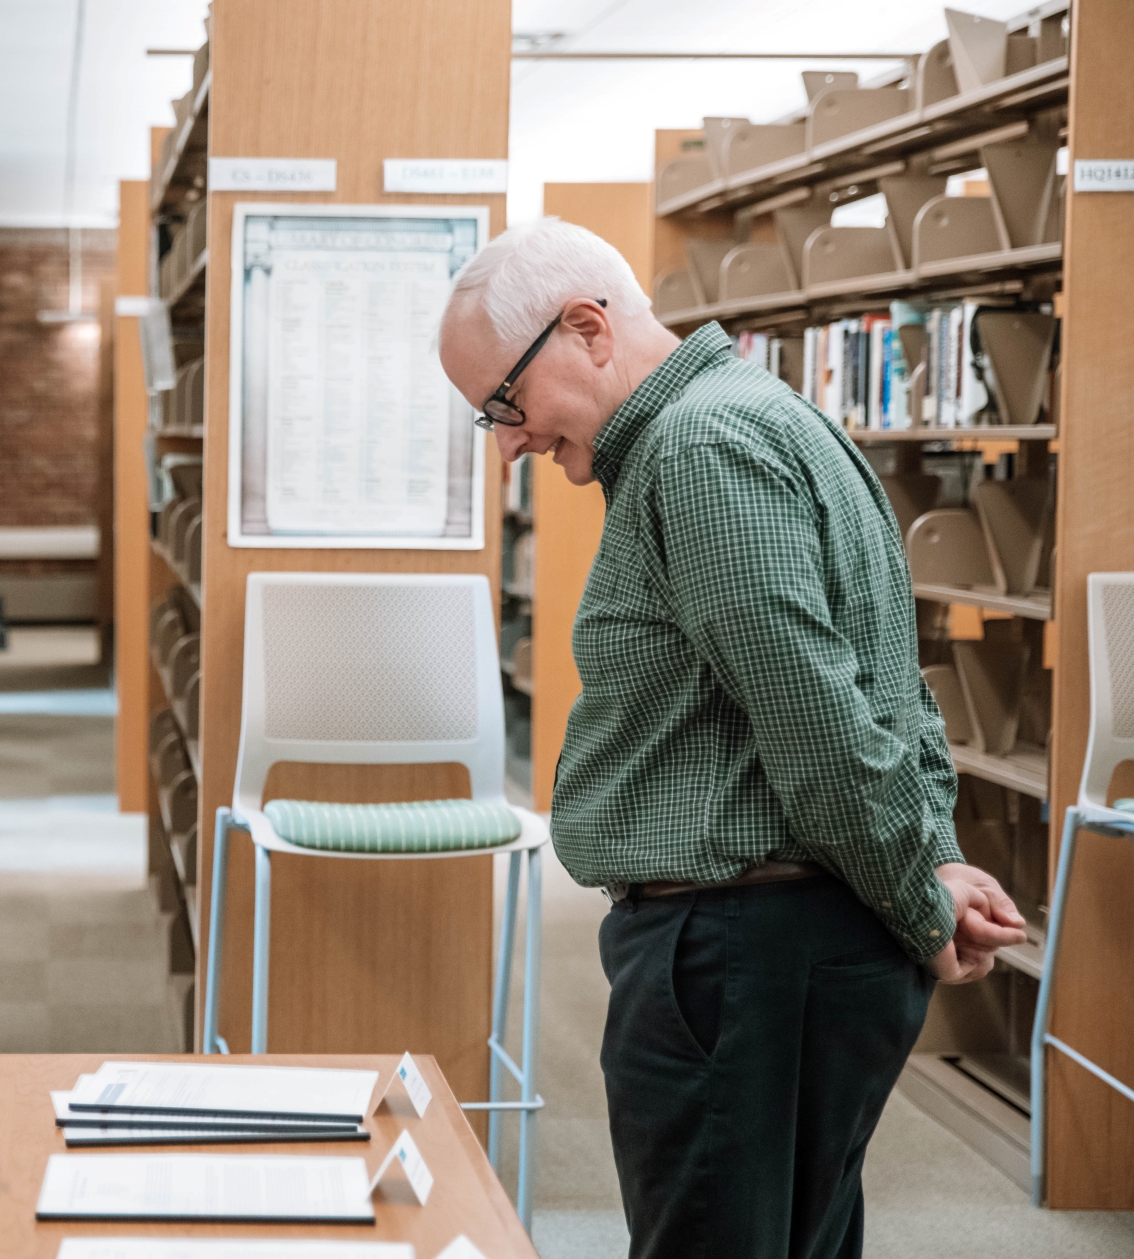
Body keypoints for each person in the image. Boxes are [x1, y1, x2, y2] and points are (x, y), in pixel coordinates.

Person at [436, 218, 1027, 1259]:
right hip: (784, 943)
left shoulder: (699, 449)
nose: (510, 443)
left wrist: (916, 898)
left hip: (743, 955)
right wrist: (928, 853)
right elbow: (879, 675)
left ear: (586, 328)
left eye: (505, 403)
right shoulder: (759, 418)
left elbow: (816, 719)